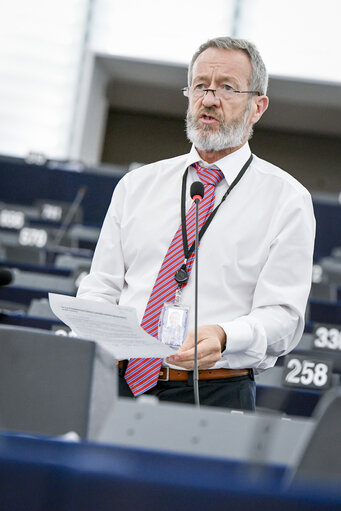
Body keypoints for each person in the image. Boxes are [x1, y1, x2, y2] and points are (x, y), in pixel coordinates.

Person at [77, 36, 315, 411]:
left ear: (258, 107)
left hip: (215, 391)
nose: (209, 99)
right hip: (114, 383)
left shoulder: (287, 200)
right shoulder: (137, 185)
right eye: (201, 86)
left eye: (227, 88)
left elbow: (283, 318)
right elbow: (100, 287)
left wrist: (225, 335)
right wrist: (99, 327)